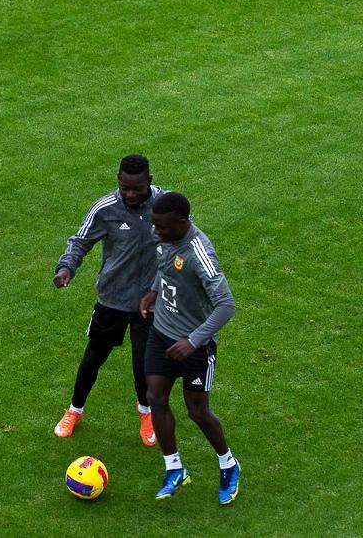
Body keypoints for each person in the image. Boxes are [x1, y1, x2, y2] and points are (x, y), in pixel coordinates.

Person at [52, 154, 164, 446]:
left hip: (151, 303)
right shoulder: (105, 209)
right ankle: (74, 410)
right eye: (125, 188)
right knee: (93, 358)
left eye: (137, 188)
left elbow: (182, 241)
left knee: (144, 365)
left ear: (149, 182)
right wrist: (66, 269)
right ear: (118, 181)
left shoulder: (164, 206)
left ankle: (146, 413)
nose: (130, 194)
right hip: (112, 300)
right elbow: (80, 241)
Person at [139, 191, 241, 505]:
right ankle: (174, 468)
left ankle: (228, 464)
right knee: (155, 397)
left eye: (162, 226)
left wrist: (193, 341)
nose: (156, 231)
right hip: (161, 333)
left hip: (195, 347)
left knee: (197, 411)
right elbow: (164, 265)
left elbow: (226, 305)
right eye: (154, 224)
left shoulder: (200, 254)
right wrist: (154, 292)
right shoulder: (164, 236)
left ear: (182, 222)